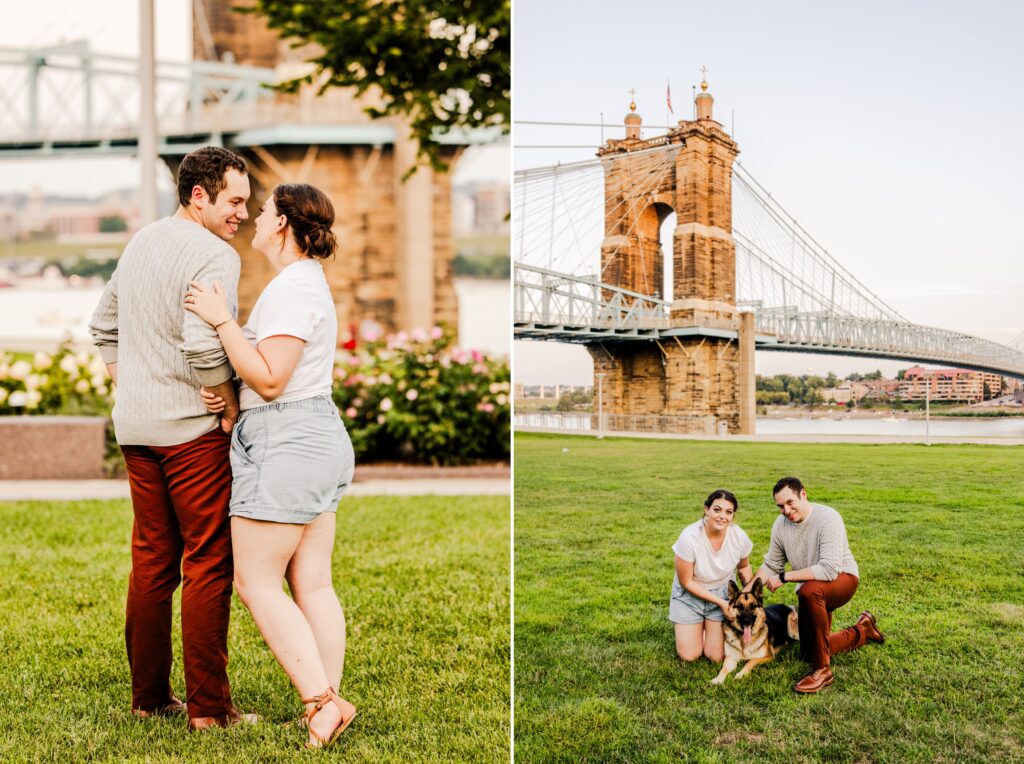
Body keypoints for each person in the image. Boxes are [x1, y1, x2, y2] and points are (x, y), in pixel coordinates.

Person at [184, 182, 357, 748]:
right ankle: (326, 705)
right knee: (312, 582)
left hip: (288, 442)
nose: (255, 217)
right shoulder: (306, 285)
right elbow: (266, 373)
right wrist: (233, 393)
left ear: (283, 224)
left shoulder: (290, 289)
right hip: (315, 436)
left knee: (256, 581)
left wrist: (220, 320)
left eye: (263, 211)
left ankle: (319, 702)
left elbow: (272, 376)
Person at [88, 146, 255, 728]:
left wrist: (129, 385)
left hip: (136, 428)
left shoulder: (142, 241)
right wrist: (228, 400)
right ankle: (210, 711)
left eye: (248, 203)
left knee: (153, 561)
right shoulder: (214, 253)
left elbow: (103, 324)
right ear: (199, 195)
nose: (243, 214)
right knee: (207, 561)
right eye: (234, 201)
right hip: (191, 430)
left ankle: (150, 699)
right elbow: (203, 342)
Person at [748, 476, 885, 693]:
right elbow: (771, 564)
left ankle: (822, 671)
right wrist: (748, 591)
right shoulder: (780, 525)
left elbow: (829, 570)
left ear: (803, 494)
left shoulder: (828, 518)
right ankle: (864, 630)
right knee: (809, 651)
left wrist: (784, 577)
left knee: (808, 591)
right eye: (780, 506)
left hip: (842, 579)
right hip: (811, 587)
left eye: (790, 502)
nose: (786, 510)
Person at [670, 489, 754, 663]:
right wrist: (722, 604)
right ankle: (696, 626)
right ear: (706, 509)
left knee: (716, 657)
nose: (722, 516)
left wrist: (748, 598)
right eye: (717, 510)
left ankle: (707, 628)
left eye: (728, 512)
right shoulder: (689, 537)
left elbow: (744, 567)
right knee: (689, 655)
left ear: (733, 517)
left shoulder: (739, 536)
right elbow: (686, 581)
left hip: (722, 592)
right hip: (690, 595)